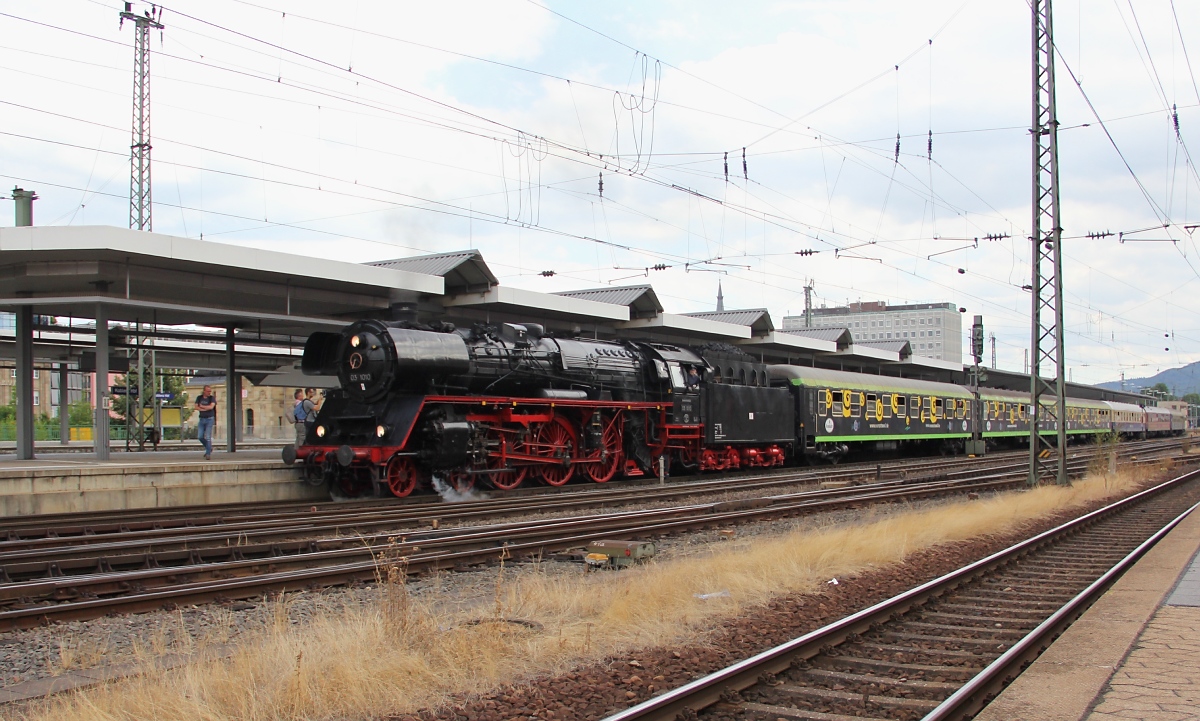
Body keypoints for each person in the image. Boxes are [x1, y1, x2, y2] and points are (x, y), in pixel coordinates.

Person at [195, 385, 217, 460]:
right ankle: (209, 447)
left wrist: (202, 407)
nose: (209, 393)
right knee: (200, 436)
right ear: (204, 391)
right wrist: (205, 408)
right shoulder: (199, 398)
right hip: (202, 419)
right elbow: (196, 407)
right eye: (207, 391)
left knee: (208, 437)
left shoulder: (212, 398)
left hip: (209, 419)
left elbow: (211, 407)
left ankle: (208, 453)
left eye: (210, 391)